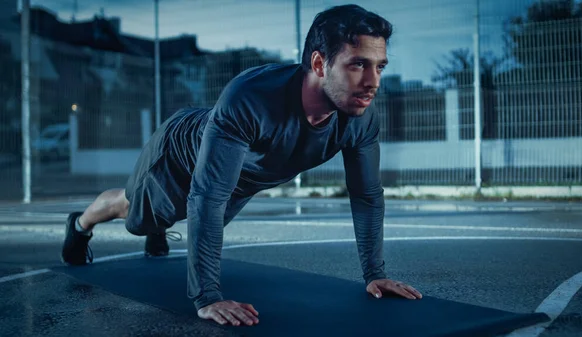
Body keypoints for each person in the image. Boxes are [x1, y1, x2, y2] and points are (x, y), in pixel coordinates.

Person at [60, 4, 423, 327]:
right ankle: (80, 223)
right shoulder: (251, 99)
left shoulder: (358, 114)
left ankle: (161, 221)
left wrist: (375, 274)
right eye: (358, 64)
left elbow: (367, 195)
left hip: (238, 178)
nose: (373, 82)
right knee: (137, 216)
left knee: (189, 216)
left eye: (379, 66)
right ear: (318, 63)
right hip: (178, 154)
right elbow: (206, 195)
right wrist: (207, 297)